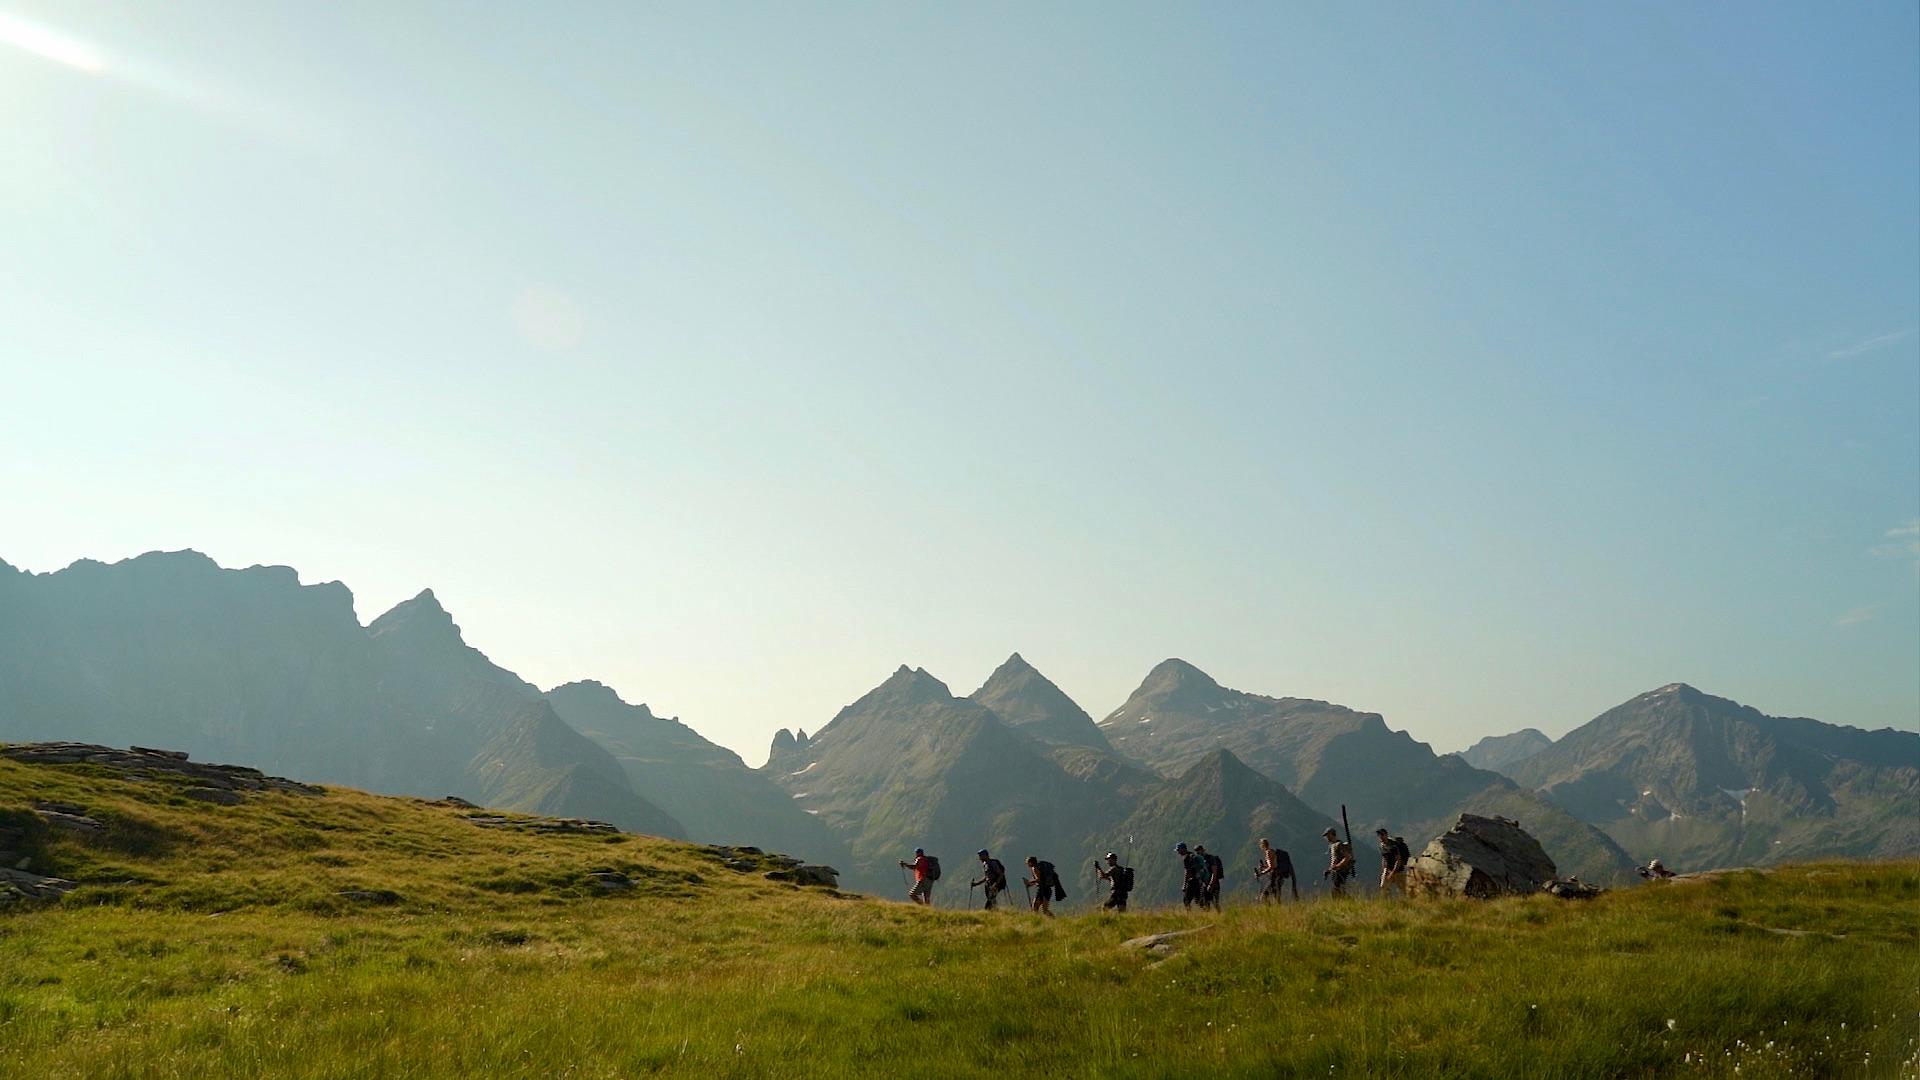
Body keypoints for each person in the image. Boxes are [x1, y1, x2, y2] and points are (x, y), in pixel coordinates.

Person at [1257, 837, 1298, 902]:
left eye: (1260, 844)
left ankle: (1269, 911)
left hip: (1274, 877)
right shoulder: (1272, 850)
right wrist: (1264, 866)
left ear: (1263, 845)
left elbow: (1271, 867)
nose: (1260, 846)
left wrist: (1261, 873)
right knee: (1276, 897)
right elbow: (1274, 864)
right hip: (1278, 876)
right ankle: (1277, 910)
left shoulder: (1268, 852)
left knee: (1264, 896)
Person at [1376, 827, 1411, 897]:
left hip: (1398, 871)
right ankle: (1387, 904)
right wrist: (1384, 870)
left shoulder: (1393, 846)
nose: (1380, 837)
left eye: (1382, 835)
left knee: (1403, 891)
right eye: (1379, 835)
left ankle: (1408, 904)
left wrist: (1392, 873)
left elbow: (1398, 860)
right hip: (1388, 870)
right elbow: (1384, 858)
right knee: (1383, 887)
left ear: (1386, 835)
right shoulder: (1382, 846)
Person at [1322, 827, 1354, 897]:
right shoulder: (1333, 846)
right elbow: (1334, 860)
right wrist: (1329, 870)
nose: (1326, 838)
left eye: (1327, 835)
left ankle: (1349, 903)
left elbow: (1347, 857)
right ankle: (1347, 903)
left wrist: (1338, 866)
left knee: (1337, 890)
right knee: (1338, 890)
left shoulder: (1339, 845)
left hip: (1341, 871)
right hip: (1336, 871)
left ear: (1331, 835)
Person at [1176, 842, 1208, 909]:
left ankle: (1189, 917)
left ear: (1183, 849)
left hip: (1192, 882)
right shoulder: (1192, 855)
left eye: (1178, 850)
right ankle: (1206, 914)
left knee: (1186, 901)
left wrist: (1184, 885)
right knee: (1199, 901)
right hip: (1198, 881)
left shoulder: (1186, 858)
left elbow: (1187, 872)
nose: (1178, 852)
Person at [1195, 844, 1225, 909]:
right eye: (1196, 852)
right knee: (1205, 903)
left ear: (1202, 850)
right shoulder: (1199, 860)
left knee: (1215, 903)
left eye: (1198, 851)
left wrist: (1211, 885)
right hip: (1205, 884)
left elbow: (1214, 873)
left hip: (1214, 884)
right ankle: (1208, 917)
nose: (1197, 853)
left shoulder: (1210, 858)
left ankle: (1220, 917)